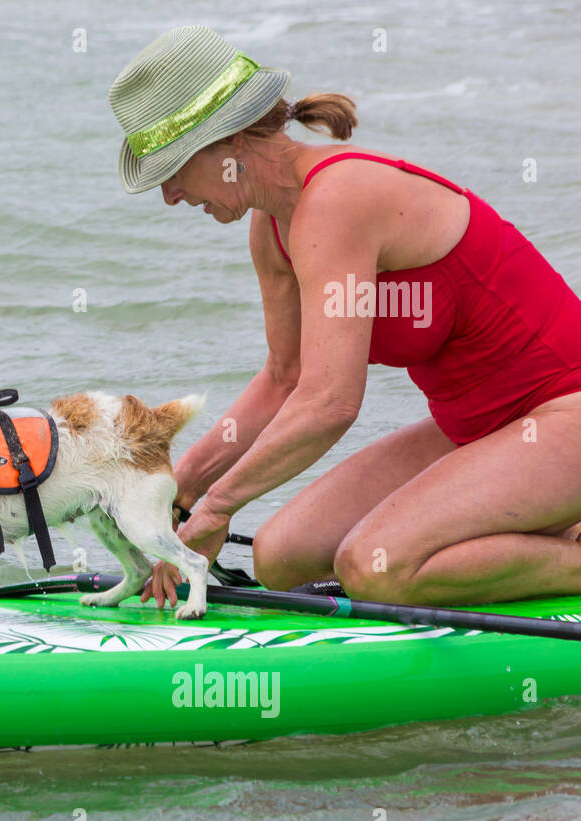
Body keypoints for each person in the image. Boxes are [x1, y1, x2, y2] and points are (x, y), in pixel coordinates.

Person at [108, 25, 581, 608]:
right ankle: (533, 527)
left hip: (561, 413)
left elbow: (330, 402)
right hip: (475, 429)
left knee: (374, 568)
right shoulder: (272, 227)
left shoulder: (338, 199)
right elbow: (285, 379)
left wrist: (220, 507)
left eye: (172, 169)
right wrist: (179, 494)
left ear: (226, 145)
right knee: (281, 556)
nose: (169, 195)